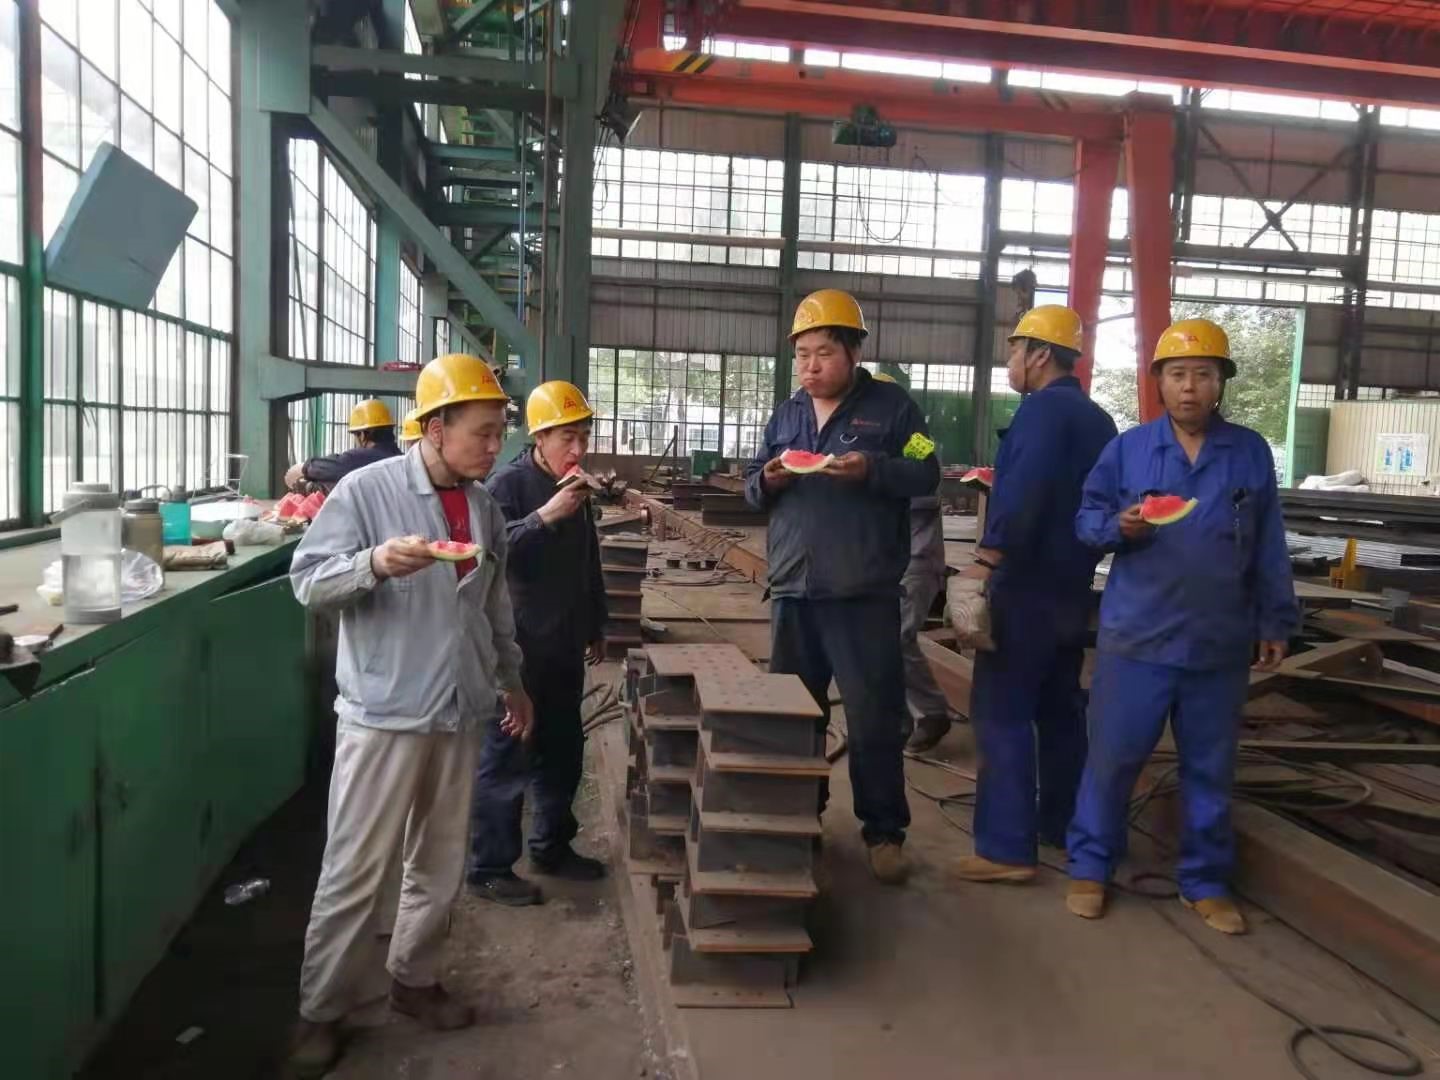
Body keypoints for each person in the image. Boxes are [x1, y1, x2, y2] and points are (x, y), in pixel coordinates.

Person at [287, 353, 533, 1076]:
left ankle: (413, 979)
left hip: (459, 707)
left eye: (499, 433)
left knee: (439, 859)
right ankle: (321, 1011)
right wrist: (372, 564)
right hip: (384, 713)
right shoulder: (366, 492)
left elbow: (492, 606)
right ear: (434, 428)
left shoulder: (484, 508)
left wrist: (512, 681)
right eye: (482, 433)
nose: (494, 447)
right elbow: (308, 581)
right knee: (356, 869)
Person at [1066, 318, 1297, 934]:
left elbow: (1268, 542)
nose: (1190, 387)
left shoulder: (1249, 451)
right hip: (1137, 637)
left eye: (1203, 374)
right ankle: (1090, 867)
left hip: (1218, 642)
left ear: (1220, 383)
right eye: (1177, 375)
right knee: (1112, 760)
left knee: (1209, 769)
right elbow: (1086, 521)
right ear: (1159, 383)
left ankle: (1205, 881)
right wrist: (1119, 526)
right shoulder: (1128, 450)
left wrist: (1275, 618)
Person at [744, 289, 940, 885]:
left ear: (853, 351)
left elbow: (927, 468)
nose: (810, 366)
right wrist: (768, 480)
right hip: (793, 591)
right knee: (793, 716)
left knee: (873, 718)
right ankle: (799, 817)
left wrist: (873, 469)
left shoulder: (896, 411)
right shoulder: (786, 416)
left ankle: (884, 831)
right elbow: (750, 483)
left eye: (823, 353)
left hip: (862, 593)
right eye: (802, 354)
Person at [952, 306, 1117, 885]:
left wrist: (984, 562)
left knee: (1002, 713)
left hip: (1025, 589)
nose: (1010, 362)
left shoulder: (1040, 412)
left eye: (1014, 350)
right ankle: (1063, 826)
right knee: (1061, 709)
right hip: (1074, 588)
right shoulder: (1098, 419)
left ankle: (1005, 849)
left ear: (1040, 354)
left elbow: (1024, 494)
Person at [468, 380, 609, 906]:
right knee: (508, 758)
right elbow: (489, 556)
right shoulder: (507, 485)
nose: (578, 448)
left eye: (583, 437)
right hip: (521, 650)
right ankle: (489, 867)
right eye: (567, 437)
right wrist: (545, 516)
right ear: (540, 437)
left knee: (563, 752)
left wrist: (597, 622)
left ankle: (551, 846)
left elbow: (588, 559)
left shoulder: (576, 487)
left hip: (565, 644)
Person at [868, 372, 958, 752]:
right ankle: (900, 715)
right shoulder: (864, 442)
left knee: (897, 636)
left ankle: (932, 712)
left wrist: (875, 476)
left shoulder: (917, 444)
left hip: (916, 558)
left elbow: (921, 488)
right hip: (881, 560)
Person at [285, 398, 401, 490]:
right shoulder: (400, 457)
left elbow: (335, 467)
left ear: (362, 435)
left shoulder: (361, 458)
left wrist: (304, 467)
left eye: (355, 435)